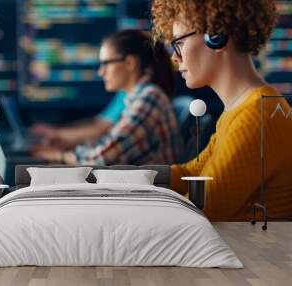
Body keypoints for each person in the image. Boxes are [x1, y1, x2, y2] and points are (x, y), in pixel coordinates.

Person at [151, 0, 292, 220]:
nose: (174, 57)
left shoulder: (256, 117)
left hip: (244, 253)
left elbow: (196, 215)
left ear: (217, 36)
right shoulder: (244, 108)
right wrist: (120, 177)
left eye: (179, 43)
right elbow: (192, 173)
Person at [32, 29, 183, 165]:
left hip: (148, 193)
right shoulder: (137, 97)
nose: (101, 72)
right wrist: (73, 148)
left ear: (130, 63)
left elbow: (101, 160)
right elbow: (109, 142)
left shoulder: (149, 97)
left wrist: (60, 155)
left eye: (106, 63)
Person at [31, 91, 126, 149]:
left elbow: (100, 130)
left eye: (107, 63)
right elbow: (98, 122)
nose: (101, 72)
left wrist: (57, 133)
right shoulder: (122, 92)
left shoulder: (129, 95)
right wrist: (59, 131)